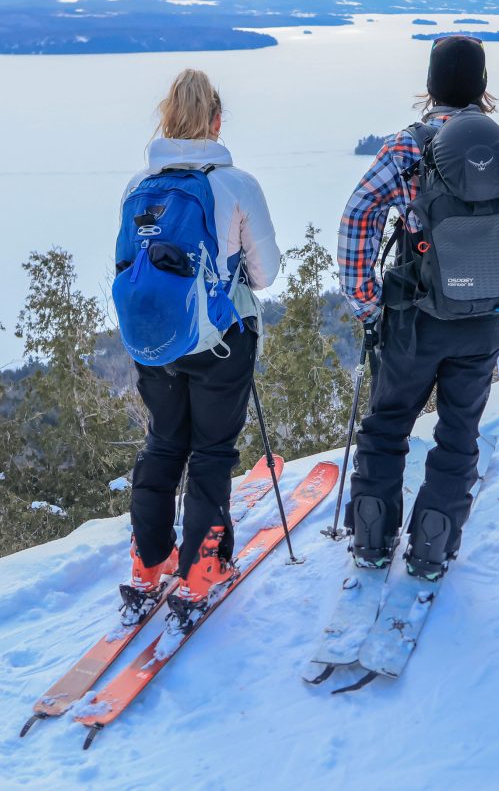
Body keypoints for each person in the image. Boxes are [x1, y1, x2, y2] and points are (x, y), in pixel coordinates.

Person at [336, 35, 499, 580]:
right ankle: (432, 547)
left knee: (386, 429)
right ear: (482, 89)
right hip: (481, 321)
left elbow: (358, 213)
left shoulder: (408, 148)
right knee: (459, 434)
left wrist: (365, 302)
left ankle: (372, 541)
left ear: (429, 87)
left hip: (411, 320)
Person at [117, 68, 280, 625]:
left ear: (166, 118)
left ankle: (148, 563)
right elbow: (264, 275)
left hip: (154, 344)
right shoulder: (235, 185)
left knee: (164, 444)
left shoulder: (139, 188)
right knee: (211, 451)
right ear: (216, 120)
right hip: (220, 341)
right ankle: (202, 568)